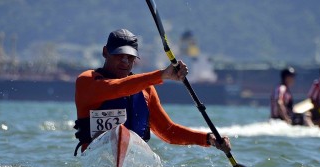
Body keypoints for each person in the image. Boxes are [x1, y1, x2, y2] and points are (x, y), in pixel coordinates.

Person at [73, 29, 231, 156]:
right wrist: (162, 75)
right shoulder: (87, 81)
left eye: (130, 57)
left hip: (135, 159)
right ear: (105, 52)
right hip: (94, 156)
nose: (125, 62)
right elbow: (116, 88)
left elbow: (169, 132)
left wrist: (208, 139)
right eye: (119, 56)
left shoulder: (146, 89)